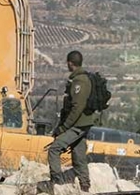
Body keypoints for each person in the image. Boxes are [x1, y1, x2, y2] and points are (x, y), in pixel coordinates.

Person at [47, 50, 97, 192]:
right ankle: (85, 186)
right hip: (83, 123)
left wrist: (63, 128)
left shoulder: (79, 81)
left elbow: (77, 107)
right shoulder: (83, 78)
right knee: (78, 154)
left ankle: (57, 183)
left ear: (70, 63)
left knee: (54, 149)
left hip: (78, 124)